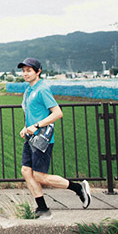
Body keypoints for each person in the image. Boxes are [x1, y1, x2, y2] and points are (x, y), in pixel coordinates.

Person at [17, 58, 91, 219]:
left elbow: (57, 113)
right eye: (23, 71)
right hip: (31, 138)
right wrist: (26, 127)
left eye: (29, 70)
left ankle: (78, 188)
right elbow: (32, 112)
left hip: (42, 139)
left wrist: (36, 126)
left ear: (38, 72)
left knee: (39, 176)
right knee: (26, 171)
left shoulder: (42, 89)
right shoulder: (29, 90)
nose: (25, 73)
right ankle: (42, 208)